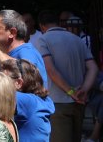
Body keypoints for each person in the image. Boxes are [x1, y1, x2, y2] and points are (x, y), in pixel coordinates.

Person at [34, 10, 98, 142]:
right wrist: (83, 90)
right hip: (79, 102)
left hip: (57, 103)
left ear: (41, 26)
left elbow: (50, 70)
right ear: (58, 23)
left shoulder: (42, 40)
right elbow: (93, 67)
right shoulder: (76, 39)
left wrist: (71, 91)